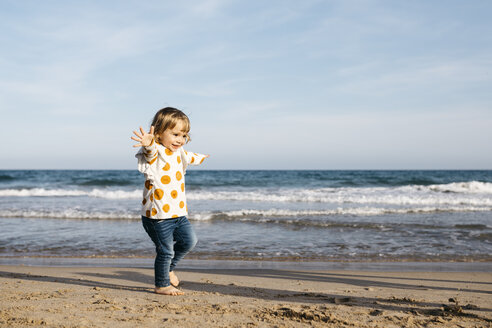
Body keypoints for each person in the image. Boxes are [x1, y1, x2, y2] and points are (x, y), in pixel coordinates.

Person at [131, 107, 209, 296]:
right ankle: (161, 284)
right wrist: (148, 144)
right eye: (175, 134)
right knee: (165, 251)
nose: (180, 140)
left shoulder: (179, 152)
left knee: (190, 241)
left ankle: (169, 268)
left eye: (184, 135)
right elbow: (149, 153)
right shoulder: (156, 151)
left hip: (178, 213)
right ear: (158, 134)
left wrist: (202, 158)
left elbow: (189, 156)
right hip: (158, 215)